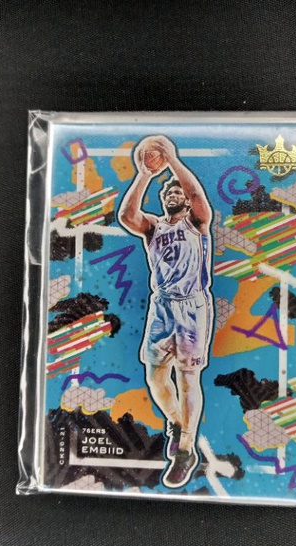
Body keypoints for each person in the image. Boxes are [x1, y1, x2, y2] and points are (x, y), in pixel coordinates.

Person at [118, 135, 213, 488]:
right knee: (155, 377)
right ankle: (175, 420)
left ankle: (186, 449)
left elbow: (196, 194)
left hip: (192, 306)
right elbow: (126, 215)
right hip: (162, 306)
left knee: (188, 378)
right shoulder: (154, 227)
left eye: (178, 192)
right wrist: (145, 174)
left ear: (185, 201)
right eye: (167, 191)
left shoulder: (197, 223)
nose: (172, 194)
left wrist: (171, 159)